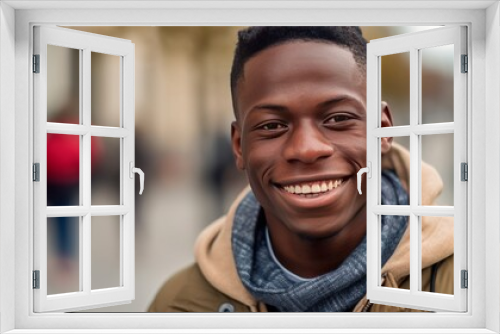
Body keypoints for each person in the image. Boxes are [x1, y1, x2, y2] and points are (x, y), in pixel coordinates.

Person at [148, 26, 453, 313]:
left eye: (337, 119)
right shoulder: (179, 306)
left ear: (383, 130)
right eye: (272, 125)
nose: (307, 149)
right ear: (240, 146)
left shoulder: (468, 286)